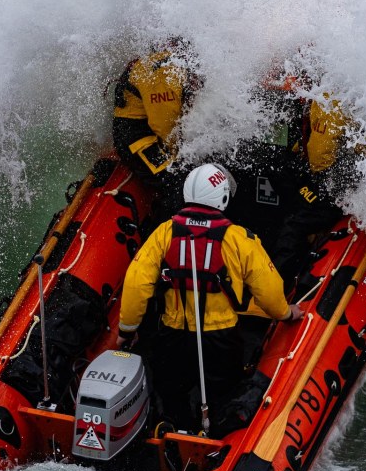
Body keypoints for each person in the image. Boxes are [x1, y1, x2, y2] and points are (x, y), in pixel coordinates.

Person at [116, 163, 304, 434]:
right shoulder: (239, 238)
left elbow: (136, 283)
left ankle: (173, 430)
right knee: (223, 392)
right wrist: (286, 313)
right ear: (223, 197)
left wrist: (127, 329)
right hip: (220, 339)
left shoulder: (164, 233)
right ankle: (215, 440)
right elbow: (270, 288)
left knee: (172, 392)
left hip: (173, 336)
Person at [262, 70, 366, 283]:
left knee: (294, 223)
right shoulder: (339, 87)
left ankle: (276, 284)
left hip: (337, 180)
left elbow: (321, 154)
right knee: (286, 177)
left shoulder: (328, 98)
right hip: (351, 169)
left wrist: (308, 188)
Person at [112, 38, 201, 216]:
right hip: (137, 138)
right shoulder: (164, 73)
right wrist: (180, 159)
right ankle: (169, 231)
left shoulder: (171, 64)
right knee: (177, 182)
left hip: (151, 128)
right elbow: (164, 126)